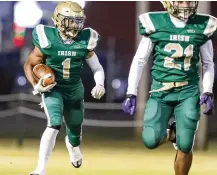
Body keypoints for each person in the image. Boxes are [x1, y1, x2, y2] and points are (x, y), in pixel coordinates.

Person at [122, 1, 215, 175]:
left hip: (188, 91)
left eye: (189, 0)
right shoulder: (155, 23)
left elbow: (208, 63)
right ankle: (173, 134)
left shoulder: (201, 25)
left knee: (186, 144)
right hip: (160, 92)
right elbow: (139, 60)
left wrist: (208, 90)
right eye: (181, 1)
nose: (186, 4)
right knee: (150, 140)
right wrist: (131, 91)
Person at [24, 2, 105, 175]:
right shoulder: (47, 38)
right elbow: (29, 64)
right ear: (59, 21)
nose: (76, 25)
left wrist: (100, 84)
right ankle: (40, 169)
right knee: (53, 124)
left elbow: (97, 68)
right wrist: (36, 85)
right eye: (71, 21)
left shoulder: (86, 39)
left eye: (78, 21)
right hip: (54, 88)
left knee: (75, 131)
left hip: (75, 90)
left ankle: (73, 146)